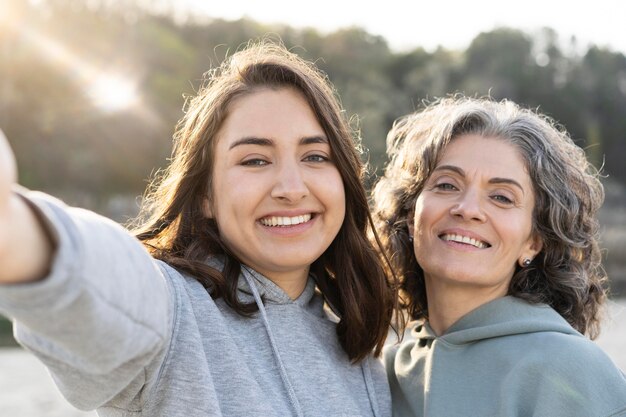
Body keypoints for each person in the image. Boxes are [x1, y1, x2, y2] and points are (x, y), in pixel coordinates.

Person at [0, 42, 396, 416]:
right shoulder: (172, 316)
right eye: (255, 160)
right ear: (205, 193)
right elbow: (103, 277)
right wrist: (15, 225)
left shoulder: (364, 358)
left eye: (315, 156)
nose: (292, 189)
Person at [372, 96, 626, 417]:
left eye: (501, 197)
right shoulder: (381, 370)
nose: (467, 209)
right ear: (411, 216)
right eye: (447, 185)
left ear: (534, 241)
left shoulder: (574, 373)